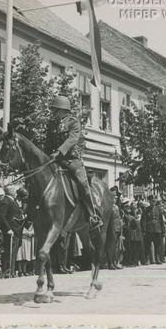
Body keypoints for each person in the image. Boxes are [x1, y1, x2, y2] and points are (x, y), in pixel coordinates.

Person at [44, 95, 101, 230]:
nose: (53, 112)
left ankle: (92, 215)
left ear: (63, 110)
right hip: (55, 159)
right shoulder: (52, 123)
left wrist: (59, 151)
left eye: (55, 110)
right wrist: (44, 158)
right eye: (53, 109)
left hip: (71, 159)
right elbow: (47, 143)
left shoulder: (73, 122)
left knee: (82, 181)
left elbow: (72, 139)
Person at [0, 185, 25, 277]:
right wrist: (8, 229)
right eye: (13, 189)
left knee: (14, 250)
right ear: (8, 191)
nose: (15, 191)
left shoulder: (12, 200)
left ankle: (12, 270)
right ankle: (7, 270)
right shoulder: (5, 201)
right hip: (11, 230)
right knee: (9, 250)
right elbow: (1, 216)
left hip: (17, 229)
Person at [141, 194, 165, 265]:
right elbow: (144, 220)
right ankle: (147, 259)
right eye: (152, 201)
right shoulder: (146, 209)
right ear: (149, 201)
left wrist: (163, 230)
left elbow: (161, 221)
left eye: (154, 201)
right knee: (147, 245)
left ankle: (157, 259)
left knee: (158, 245)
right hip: (149, 229)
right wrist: (144, 230)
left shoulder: (159, 209)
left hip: (157, 229)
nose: (153, 202)